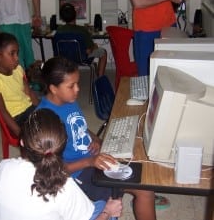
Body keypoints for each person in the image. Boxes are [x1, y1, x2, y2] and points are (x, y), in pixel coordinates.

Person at [37, 56, 156, 220]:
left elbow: (80, 127)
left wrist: (95, 140)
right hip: (75, 175)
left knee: (143, 182)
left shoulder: (68, 100)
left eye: (77, 83)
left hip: (92, 159)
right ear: (53, 88)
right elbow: (52, 170)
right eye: (71, 86)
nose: (77, 89)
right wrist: (90, 162)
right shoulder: (45, 119)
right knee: (125, 195)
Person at [0, 108, 123, 220]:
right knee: (104, 203)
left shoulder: (2, 167)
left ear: (22, 142)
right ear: (62, 147)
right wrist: (108, 212)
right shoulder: (64, 185)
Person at [0, 32, 39, 137]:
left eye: (17, 53)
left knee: (57, 117)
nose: (17, 58)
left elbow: (29, 92)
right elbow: (2, 112)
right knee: (43, 133)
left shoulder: (17, 69)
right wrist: (20, 134)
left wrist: (42, 108)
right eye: (12, 54)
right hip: (16, 119)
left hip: (29, 109)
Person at [130, 0, 186, 76]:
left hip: (168, 25)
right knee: (147, 74)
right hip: (146, 30)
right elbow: (138, 2)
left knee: (170, 72)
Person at [0, 0, 41, 70]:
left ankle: (16, 81)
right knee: (29, 56)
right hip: (24, 19)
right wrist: (37, 16)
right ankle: (34, 80)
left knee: (11, 58)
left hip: (5, 22)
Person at [57, 2, 107, 77]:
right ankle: (100, 79)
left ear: (62, 17)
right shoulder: (82, 30)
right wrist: (95, 46)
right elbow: (89, 50)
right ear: (75, 15)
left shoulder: (58, 30)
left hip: (65, 59)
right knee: (103, 52)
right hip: (82, 58)